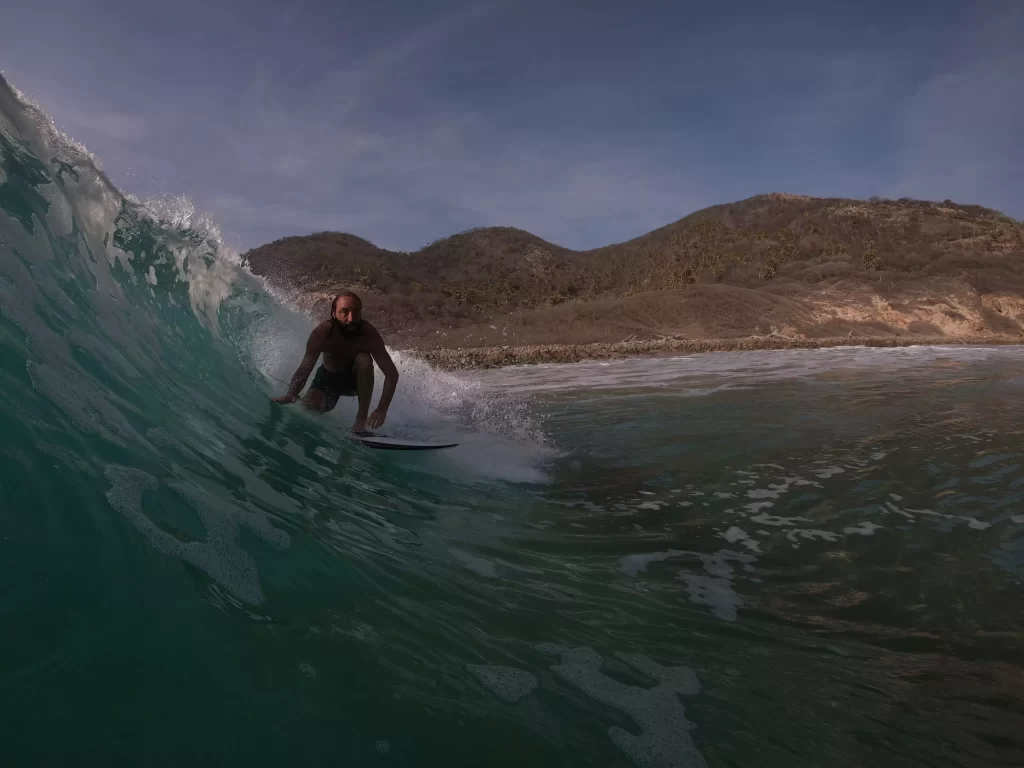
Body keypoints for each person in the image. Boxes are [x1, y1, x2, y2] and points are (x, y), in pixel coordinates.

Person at [271, 290, 400, 433]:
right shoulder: (322, 333)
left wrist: (381, 410)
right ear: (333, 313)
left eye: (356, 312)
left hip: (355, 381)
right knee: (309, 406)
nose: (351, 318)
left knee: (363, 359)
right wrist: (292, 393)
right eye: (344, 312)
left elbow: (391, 374)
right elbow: (305, 366)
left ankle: (360, 421)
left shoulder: (368, 334)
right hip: (328, 378)